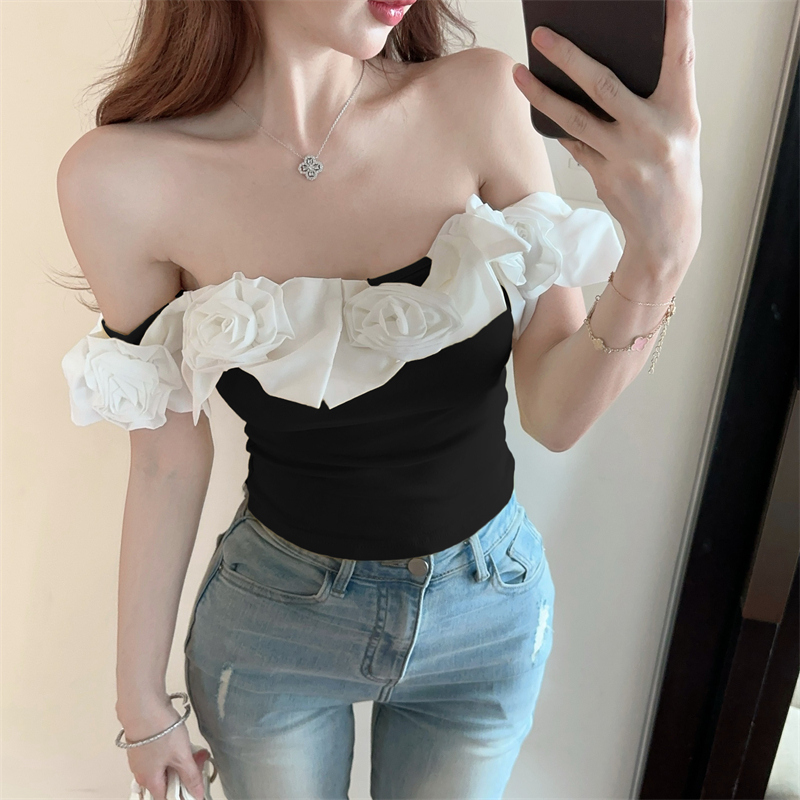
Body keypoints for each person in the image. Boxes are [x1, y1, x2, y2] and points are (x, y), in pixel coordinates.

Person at [57, 0, 701, 797]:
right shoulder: (119, 181)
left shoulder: (482, 100)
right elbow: (165, 457)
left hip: (486, 615)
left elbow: (555, 415)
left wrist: (657, 261)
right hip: (272, 626)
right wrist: (140, 699)